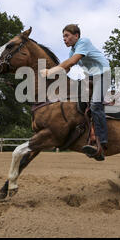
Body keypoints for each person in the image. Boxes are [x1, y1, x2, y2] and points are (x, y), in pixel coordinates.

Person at [40, 24, 110, 161]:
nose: (64, 39)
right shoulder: (72, 51)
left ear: (76, 35)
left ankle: (101, 142)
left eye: (67, 35)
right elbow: (67, 68)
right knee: (77, 103)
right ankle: (87, 136)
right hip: (89, 77)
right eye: (63, 37)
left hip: (102, 75)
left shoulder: (83, 42)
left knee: (95, 105)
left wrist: (51, 71)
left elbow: (73, 61)